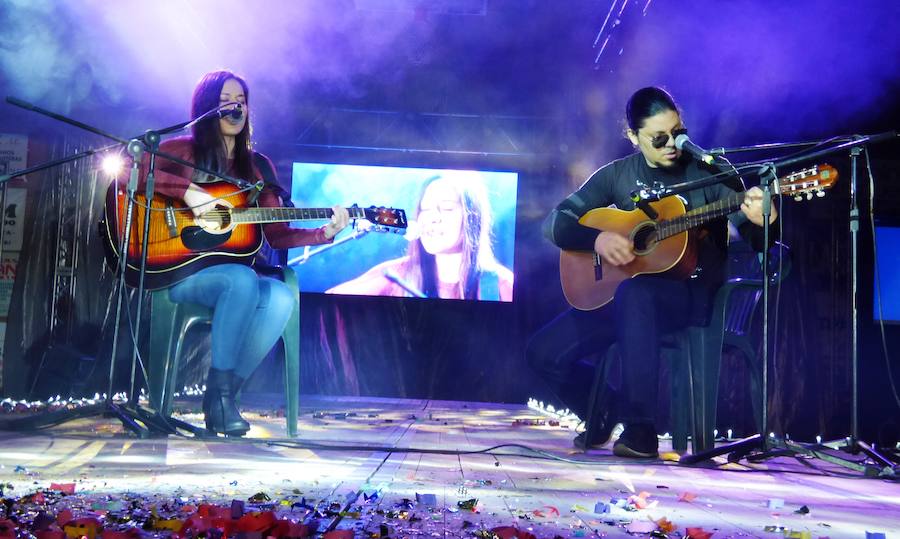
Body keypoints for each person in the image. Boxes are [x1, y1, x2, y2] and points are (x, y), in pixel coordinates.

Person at [526, 87, 777, 458]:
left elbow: (760, 238)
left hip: (690, 297)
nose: (672, 143)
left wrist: (765, 219)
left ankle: (641, 430)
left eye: (677, 132)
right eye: (659, 138)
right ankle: (603, 407)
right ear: (632, 136)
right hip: (625, 299)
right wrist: (596, 240)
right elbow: (555, 222)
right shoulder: (618, 175)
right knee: (542, 352)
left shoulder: (711, 171)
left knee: (636, 294)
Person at [137, 70, 350, 436]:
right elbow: (130, 174)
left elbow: (277, 235)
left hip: (238, 277)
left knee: (280, 297)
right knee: (242, 279)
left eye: (241, 101)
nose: (236, 107)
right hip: (178, 270)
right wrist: (188, 192)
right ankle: (221, 402)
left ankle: (221, 397)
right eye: (224, 101)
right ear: (206, 109)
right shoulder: (180, 151)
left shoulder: (258, 167)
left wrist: (323, 232)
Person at [326, 174, 514, 301]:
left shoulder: (501, 285)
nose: (432, 217)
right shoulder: (395, 275)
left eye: (447, 208)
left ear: (473, 218)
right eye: (425, 209)